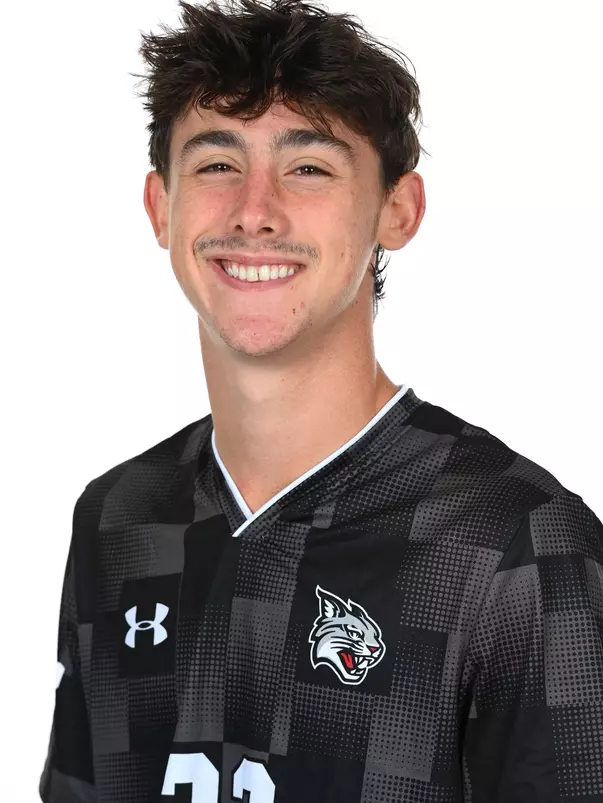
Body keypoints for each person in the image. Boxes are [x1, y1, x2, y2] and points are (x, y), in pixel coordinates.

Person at [39, 0, 603, 800]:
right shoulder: (117, 517)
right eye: (214, 162)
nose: (254, 211)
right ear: (160, 207)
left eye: (308, 167)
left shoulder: (516, 546)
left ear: (397, 209)